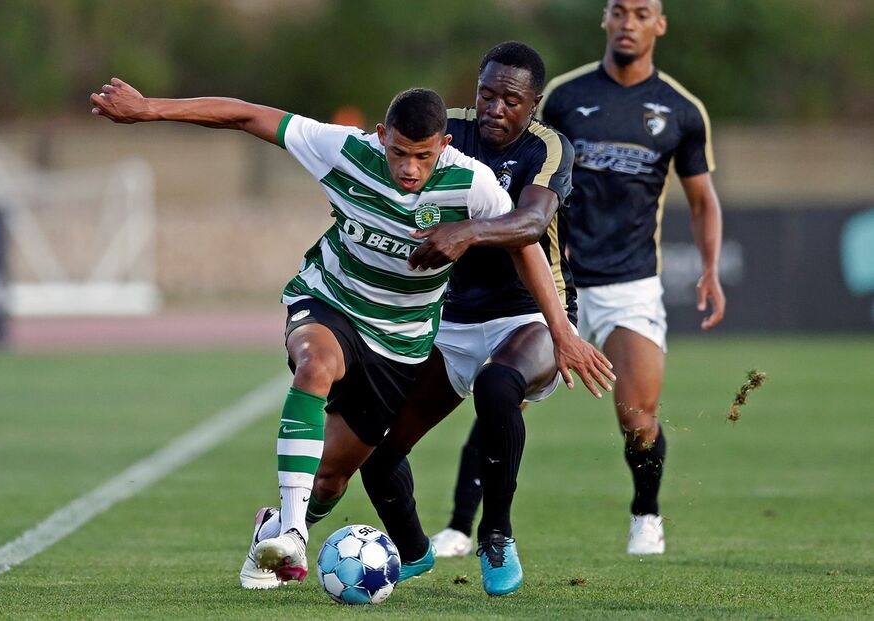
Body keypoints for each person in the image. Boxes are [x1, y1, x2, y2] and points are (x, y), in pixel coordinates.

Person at [89, 80, 595, 588]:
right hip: (331, 301)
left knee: (330, 479)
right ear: (382, 136)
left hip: (400, 342)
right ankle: (293, 534)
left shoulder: (473, 183)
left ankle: (276, 527)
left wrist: (561, 331)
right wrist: (149, 109)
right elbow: (246, 114)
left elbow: (525, 246)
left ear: (443, 146)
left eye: (422, 156)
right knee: (316, 364)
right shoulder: (344, 150)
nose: (409, 168)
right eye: (399, 153)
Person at [279, 41, 615, 597]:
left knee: (499, 387)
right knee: (379, 449)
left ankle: (496, 535)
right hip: (449, 319)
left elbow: (532, 224)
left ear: (533, 104)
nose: (495, 109)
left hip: (529, 314)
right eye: (487, 95)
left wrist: (469, 235)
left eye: (511, 100)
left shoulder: (548, 148)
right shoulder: (444, 132)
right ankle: (412, 552)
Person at [432, 0, 726, 558]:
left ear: (660, 24)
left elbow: (702, 199)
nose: (629, 22)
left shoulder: (682, 111)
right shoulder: (564, 97)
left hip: (628, 281)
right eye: (619, 11)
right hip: (546, 277)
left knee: (638, 416)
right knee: (501, 395)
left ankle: (646, 513)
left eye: (642, 12)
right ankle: (460, 526)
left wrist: (710, 268)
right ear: (605, 19)